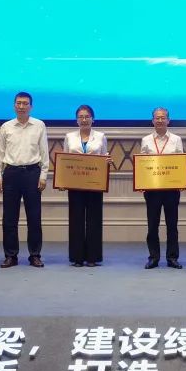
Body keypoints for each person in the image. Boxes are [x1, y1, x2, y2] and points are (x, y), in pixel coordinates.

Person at [0, 92, 49, 268]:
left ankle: (35, 255)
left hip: (32, 173)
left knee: (34, 217)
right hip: (11, 174)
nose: (21, 106)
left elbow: (44, 152)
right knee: (9, 218)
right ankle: (11, 255)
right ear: (14, 106)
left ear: (31, 106)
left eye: (25, 103)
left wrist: (43, 175)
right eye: (18, 103)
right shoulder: (6, 127)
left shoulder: (39, 125)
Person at [60, 105, 111, 267]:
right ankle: (77, 257)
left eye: (87, 116)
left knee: (94, 220)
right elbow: (64, 159)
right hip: (75, 184)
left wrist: (107, 161)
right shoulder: (69, 137)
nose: (84, 119)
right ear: (76, 120)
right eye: (81, 117)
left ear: (93, 119)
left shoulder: (101, 136)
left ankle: (92, 257)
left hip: (94, 184)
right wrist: (62, 180)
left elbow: (104, 157)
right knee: (76, 220)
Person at [139, 107, 184, 269]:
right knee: (152, 225)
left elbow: (180, 162)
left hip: (171, 189)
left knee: (172, 225)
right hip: (152, 190)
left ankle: (172, 257)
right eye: (157, 118)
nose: (160, 120)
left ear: (168, 120)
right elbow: (142, 164)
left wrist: (181, 181)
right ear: (152, 121)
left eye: (163, 117)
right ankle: (153, 257)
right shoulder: (146, 140)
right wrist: (142, 182)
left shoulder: (176, 140)